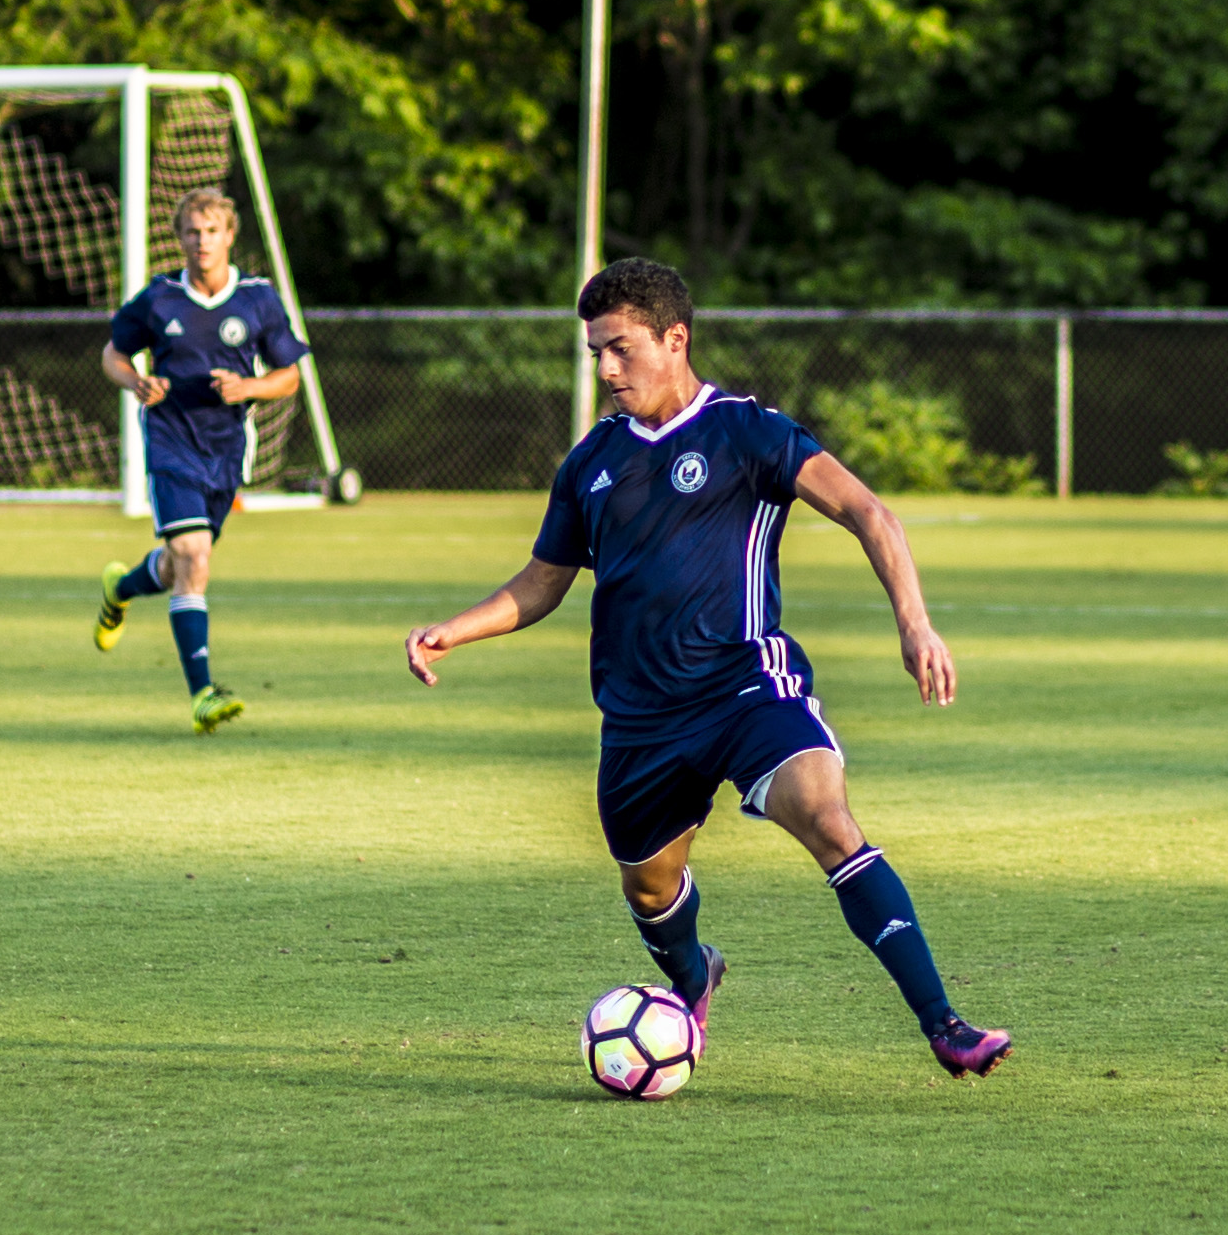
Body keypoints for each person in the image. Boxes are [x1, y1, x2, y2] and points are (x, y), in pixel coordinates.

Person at [404, 258, 1013, 1079]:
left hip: (745, 689)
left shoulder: (747, 432)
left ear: (674, 339)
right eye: (595, 353)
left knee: (826, 817)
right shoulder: (590, 463)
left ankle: (944, 1024)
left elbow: (867, 511)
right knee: (650, 890)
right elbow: (541, 583)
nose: (605, 370)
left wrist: (914, 623)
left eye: (619, 349)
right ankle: (695, 976)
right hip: (640, 716)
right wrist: (455, 630)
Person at [91, 188, 310, 734]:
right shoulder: (159, 298)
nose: (201, 241)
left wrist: (249, 387)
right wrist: (135, 381)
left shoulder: (257, 299)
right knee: (194, 556)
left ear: (230, 236)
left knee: (180, 565)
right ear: (179, 238)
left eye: (212, 231)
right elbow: (113, 355)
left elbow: (289, 376)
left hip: (226, 449)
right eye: (192, 231)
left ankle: (121, 589)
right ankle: (203, 696)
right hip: (171, 441)